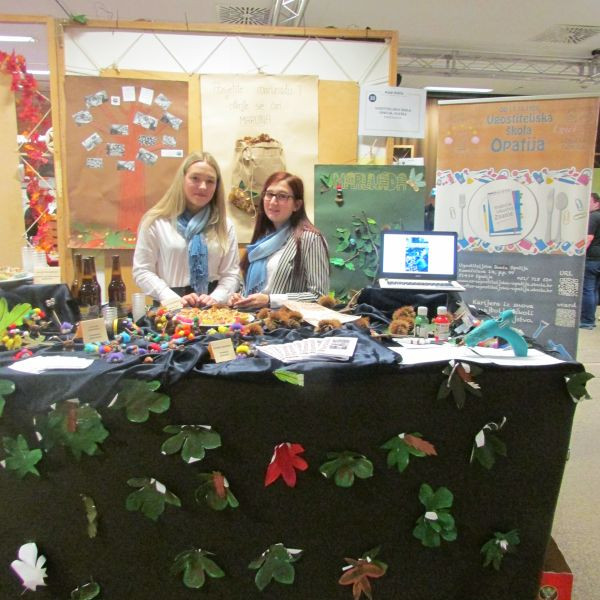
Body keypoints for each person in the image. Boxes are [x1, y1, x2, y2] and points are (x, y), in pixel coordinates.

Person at [133, 151, 240, 307]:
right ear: (182, 180)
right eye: (195, 178)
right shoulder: (156, 222)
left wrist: (216, 298)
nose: (203, 186)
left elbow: (231, 274)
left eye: (210, 181)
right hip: (170, 307)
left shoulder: (224, 225)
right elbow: (142, 271)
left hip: (212, 308)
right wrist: (172, 298)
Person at [229, 171, 329, 310]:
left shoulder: (310, 239)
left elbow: (320, 296)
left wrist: (270, 300)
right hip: (252, 318)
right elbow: (254, 288)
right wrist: (240, 296)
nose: (273, 202)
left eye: (282, 196)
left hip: (286, 321)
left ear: (297, 205)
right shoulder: (262, 239)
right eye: (269, 194)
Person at [580, 191, 600, 329]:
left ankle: (587, 321)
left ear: (597, 203)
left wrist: (579, 254)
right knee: (594, 290)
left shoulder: (593, 217)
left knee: (588, 289)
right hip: (598, 259)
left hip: (592, 258)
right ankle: (590, 318)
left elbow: (588, 238)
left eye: (589, 201)